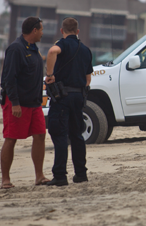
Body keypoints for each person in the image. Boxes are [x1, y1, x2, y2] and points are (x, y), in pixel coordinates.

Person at [0, 17, 50, 189]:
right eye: (41, 29)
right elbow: (9, 78)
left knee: (40, 135)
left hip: (34, 103)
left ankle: (39, 176)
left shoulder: (34, 49)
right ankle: (5, 179)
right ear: (34, 30)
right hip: (16, 102)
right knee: (11, 138)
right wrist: (14, 102)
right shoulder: (15, 49)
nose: (43, 33)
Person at [45, 18, 94, 186]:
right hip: (79, 97)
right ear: (78, 31)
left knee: (59, 135)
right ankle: (80, 173)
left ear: (62, 30)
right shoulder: (86, 50)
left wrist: (50, 75)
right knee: (77, 135)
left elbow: (52, 52)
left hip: (62, 97)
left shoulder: (63, 44)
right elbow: (88, 79)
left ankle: (60, 175)